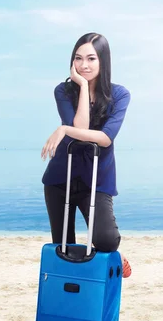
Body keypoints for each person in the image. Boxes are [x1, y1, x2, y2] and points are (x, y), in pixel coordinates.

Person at [40, 32, 132, 278]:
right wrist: (81, 86)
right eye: (78, 58)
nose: (84, 65)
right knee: (64, 249)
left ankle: (118, 256)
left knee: (107, 240)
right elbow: (82, 130)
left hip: (97, 179)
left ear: (103, 61)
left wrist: (64, 129)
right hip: (61, 177)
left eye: (91, 59)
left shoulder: (120, 95)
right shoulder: (63, 91)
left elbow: (105, 138)